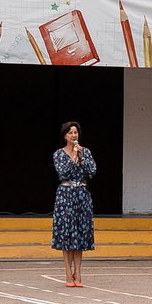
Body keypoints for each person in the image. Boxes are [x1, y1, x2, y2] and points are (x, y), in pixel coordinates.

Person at [53, 122, 97, 289]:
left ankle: (78, 273)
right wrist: (73, 158)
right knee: (67, 235)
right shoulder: (58, 154)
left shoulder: (85, 151)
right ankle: (67, 272)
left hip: (81, 195)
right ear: (65, 136)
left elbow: (92, 171)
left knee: (79, 234)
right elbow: (62, 172)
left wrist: (82, 158)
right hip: (65, 195)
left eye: (76, 132)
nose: (74, 135)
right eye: (70, 133)